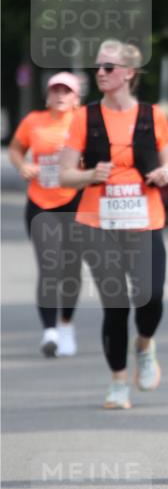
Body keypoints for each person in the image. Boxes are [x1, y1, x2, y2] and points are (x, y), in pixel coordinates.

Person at [59, 40, 168, 410]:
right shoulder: (84, 117)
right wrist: (90, 173)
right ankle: (117, 383)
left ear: (129, 73)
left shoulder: (152, 115)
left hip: (146, 220)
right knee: (115, 306)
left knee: (151, 296)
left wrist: (163, 172)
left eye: (108, 67)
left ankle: (143, 344)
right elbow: (63, 176)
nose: (101, 73)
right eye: (98, 68)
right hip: (99, 222)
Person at [9, 72, 83, 357]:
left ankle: (66, 325)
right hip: (41, 202)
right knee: (50, 265)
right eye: (56, 90)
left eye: (67, 91)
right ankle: (49, 331)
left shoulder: (83, 122)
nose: (60, 95)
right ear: (47, 95)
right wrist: (22, 166)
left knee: (71, 269)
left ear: (76, 97)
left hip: (75, 200)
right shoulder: (33, 121)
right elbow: (16, 149)